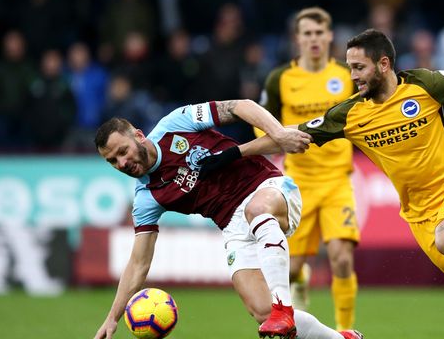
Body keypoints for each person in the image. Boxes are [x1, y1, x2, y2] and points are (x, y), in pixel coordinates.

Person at [215, 29, 444, 338]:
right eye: (349, 68)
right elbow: (286, 133)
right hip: (418, 215)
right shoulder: (349, 114)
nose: (353, 75)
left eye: (358, 67)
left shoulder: (424, 85)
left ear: (383, 64)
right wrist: (233, 153)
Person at [92, 99, 363, 339]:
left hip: (267, 188)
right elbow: (138, 263)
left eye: (123, 151)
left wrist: (278, 133)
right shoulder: (146, 197)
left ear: (138, 136)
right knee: (261, 311)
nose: (122, 163)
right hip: (233, 226)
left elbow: (240, 106)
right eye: (112, 161)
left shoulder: (175, 123)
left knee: (256, 210)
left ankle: (284, 307)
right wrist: (112, 318)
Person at [258, 7, 359, 330]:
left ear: (329, 36)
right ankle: (299, 281)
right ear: (298, 38)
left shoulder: (347, 75)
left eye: (319, 33)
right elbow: (261, 124)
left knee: (342, 258)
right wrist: (278, 139)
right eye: (308, 34)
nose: (314, 39)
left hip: (337, 180)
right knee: (291, 269)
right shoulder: (281, 79)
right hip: (298, 182)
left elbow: (367, 113)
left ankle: (346, 330)